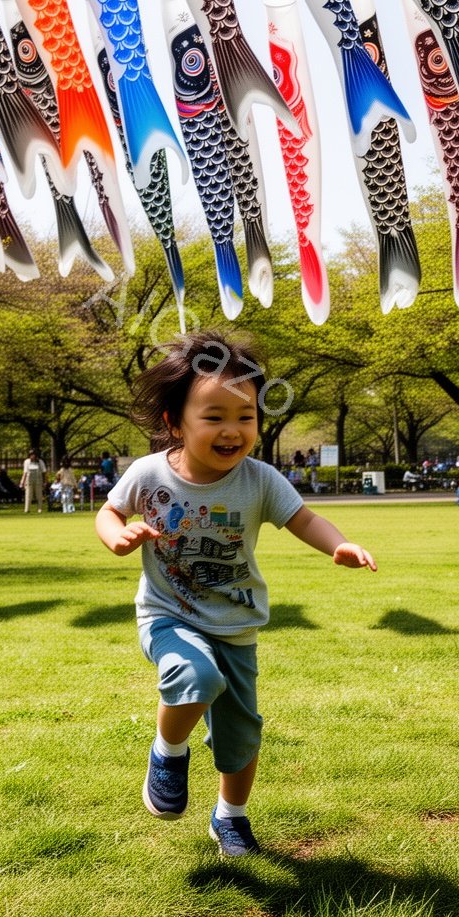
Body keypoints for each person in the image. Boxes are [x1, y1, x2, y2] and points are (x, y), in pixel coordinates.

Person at [96, 330, 377, 858]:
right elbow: (111, 510)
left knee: (240, 737)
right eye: (214, 416)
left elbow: (304, 518)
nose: (233, 430)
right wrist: (118, 535)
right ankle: (168, 750)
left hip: (237, 624)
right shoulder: (149, 473)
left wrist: (339, 545)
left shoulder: (260, 480)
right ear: (174, 423)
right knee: (194, 675)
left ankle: (230, 817)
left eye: (245, 417)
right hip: (168, 614)